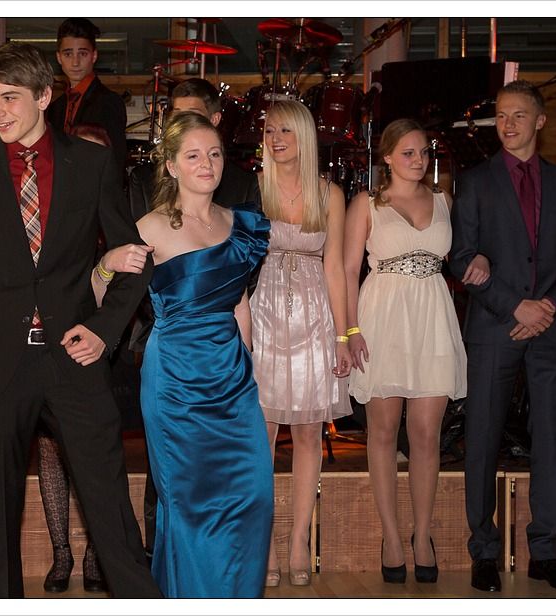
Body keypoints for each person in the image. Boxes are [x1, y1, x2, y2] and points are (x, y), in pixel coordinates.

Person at [0, 42, 160, 599]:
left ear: (44, 97)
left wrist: (103, 330)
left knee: (109, 506)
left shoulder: (91, 163)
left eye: (10, 97)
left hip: (72, 357)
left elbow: (136, 259)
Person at [449, 79, 556, 593]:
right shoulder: (474, 182)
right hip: (495, 325)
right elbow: (461, 258)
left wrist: (547, 308)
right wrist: (516, 306)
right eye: (501, 115)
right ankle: (484, 551)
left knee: (550, 442)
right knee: (483, 438)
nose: (507, 124)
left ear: (540, 121)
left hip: (551, 329)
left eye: (518, 115)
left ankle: (545, 553)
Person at [135, 111, 273, 598]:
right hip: (176, 383)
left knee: (253, 497)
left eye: (214, 154)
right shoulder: (150, 228)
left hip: (231, 381)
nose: (206, 163)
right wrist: (106, 267)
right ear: (171, 165)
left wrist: (248, 368)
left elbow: (239, 302)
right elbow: (104, 297)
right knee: (190, 505)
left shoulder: (241, 225)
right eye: (193, 155)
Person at [344, 118, 481, 585]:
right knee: (383, 432)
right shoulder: (366, 203)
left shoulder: (444, 200)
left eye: (424, 152)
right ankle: (391, 537)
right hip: (382, 319)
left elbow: (464, 255)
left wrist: (480, 258)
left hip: (433, 319)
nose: (419, 160)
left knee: (426, 434)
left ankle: (423, 535)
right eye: (408, 152)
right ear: (386, 157)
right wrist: (349, 330)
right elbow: (347, 271)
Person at [34, 121, 152, 594]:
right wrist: (104, 265)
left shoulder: (117, 214)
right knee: (49, 450)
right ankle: (61, 550)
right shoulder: (44, 204)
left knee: (97, 463)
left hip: (102, 349)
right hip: (47, 346)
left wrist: (106, 266)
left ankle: (96, 554)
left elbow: (116, 292)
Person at [250, 100, 351, 588]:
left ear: (305, 136)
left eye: (286, 130)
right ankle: (266, 543)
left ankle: (298, 543)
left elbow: (336, 268)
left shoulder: (330, 193)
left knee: (310, 432)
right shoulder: (254, 188)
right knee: (262, 434)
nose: (276, 138)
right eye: (270, 130)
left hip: (313, 314)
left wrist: (344, 334)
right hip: (263, 312)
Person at [128, 77, 260, 221]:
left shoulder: (243, 184)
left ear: (214, 119)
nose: (183, 122)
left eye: (192, 114)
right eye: (178, 115)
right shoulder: (144, 179)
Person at [46, 17, 127, 177]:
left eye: (82, 54)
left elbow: (115, 163)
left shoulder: (109, 102)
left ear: (94, 56)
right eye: (68, 54)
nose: (75, 62)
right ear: (58, 57)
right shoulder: (55, 107)